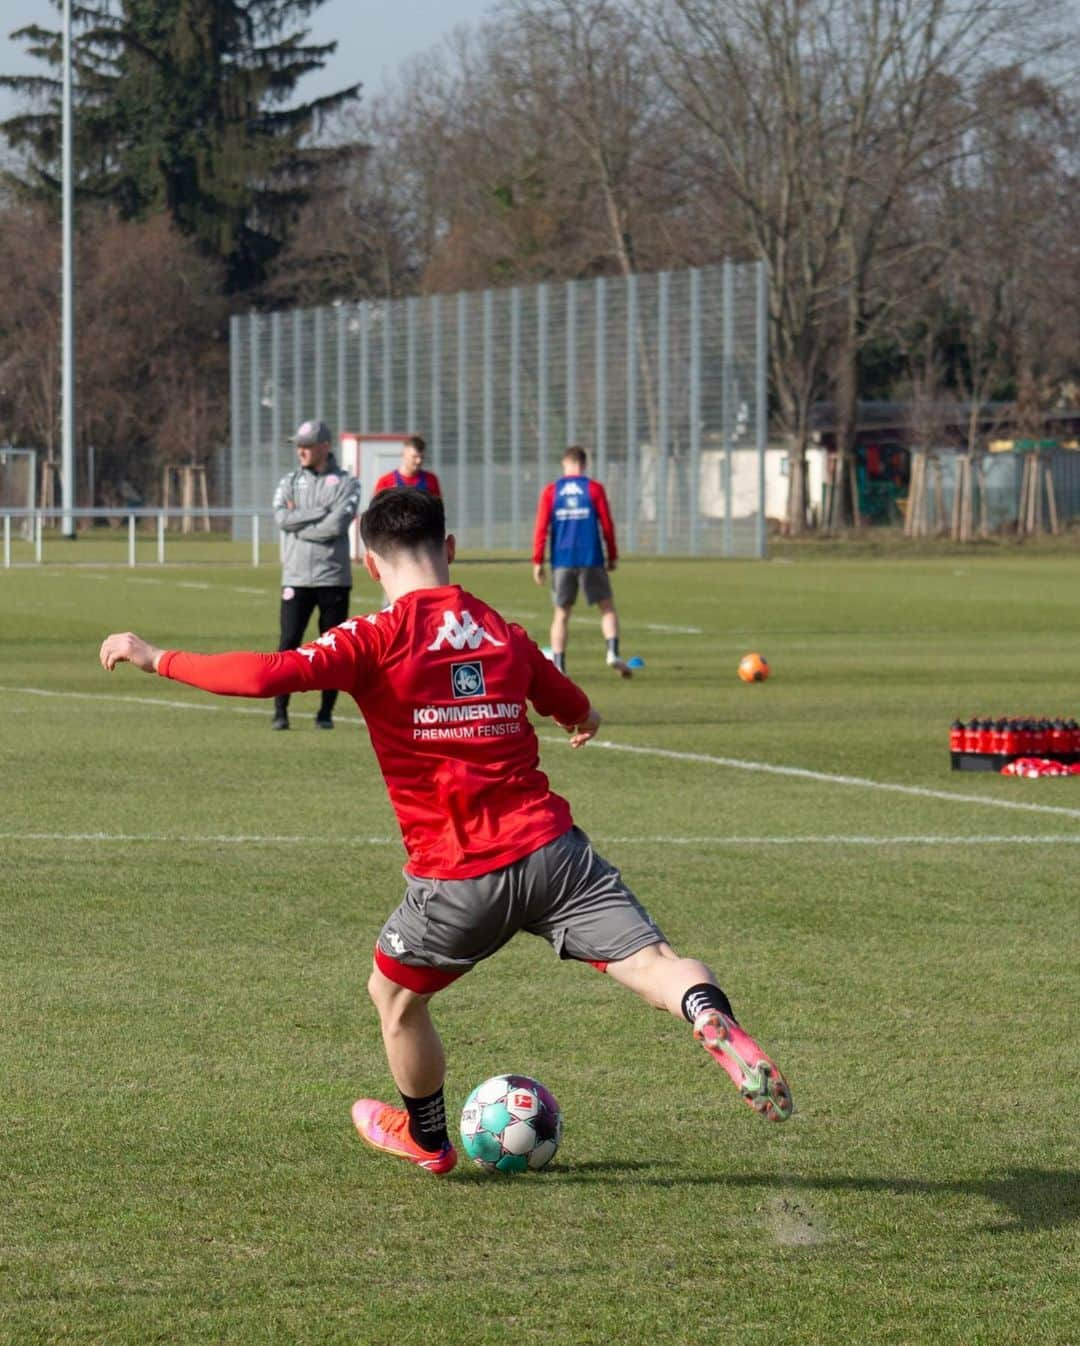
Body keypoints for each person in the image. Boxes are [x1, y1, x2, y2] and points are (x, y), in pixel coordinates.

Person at [99, 488, 792, 1176]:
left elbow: (264, 673)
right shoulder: (502, 631)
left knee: (394, 999)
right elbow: (567, 700)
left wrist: (155, 655)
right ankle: (705, 1013)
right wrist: (584, 720)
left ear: (369, 564)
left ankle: (428, 1140)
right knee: (657, 964)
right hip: (556, 854)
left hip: (460, 878)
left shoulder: (375, 637)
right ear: (450, 550)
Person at [271, 419, 362, 730]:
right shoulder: (289, 482)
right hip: (295, 577)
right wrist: (318, 512)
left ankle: (326, 713)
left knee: (332, 648)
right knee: (289, 643)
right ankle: (280, 711)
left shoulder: (348, 483)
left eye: (307, 446)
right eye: (298, 445)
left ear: (325, 447)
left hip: (333, 578)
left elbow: (336, 526)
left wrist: (302, 525)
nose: (301, 451)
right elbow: (282, 519)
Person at [532, 445, 630, 678]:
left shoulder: (551, 491)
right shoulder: (594, 489)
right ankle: (612, 652)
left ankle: (559, 665)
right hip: (591, 558)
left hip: (562, 560)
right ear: (584, 465)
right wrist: (612, 555)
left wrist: (537, 561)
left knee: (561, 614)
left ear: (565, 464)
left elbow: (541, 528)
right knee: (606, 607)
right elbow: (607, 525)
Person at [373, 434, 441, 497]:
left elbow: (438, 508)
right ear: (404, 455)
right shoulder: (385, 482)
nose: (419, 461)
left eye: (422, 457)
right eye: (414, 457)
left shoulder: (431, 479)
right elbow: (377, 509)